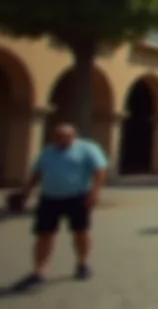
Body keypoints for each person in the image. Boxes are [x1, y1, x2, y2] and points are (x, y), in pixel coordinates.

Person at [11, 123, 108, 291]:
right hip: (49, 198)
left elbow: (99, 170)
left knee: (81, 231)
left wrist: (94, 192)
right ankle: (40, 271)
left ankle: (82, 264)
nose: (60, 139)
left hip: (77, 197)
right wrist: (26, 192)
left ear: (73, 136)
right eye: (57, 136)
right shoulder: (48, 151)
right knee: (44, 234)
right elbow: (38, 172)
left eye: (64, 136)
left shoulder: (87, 149)